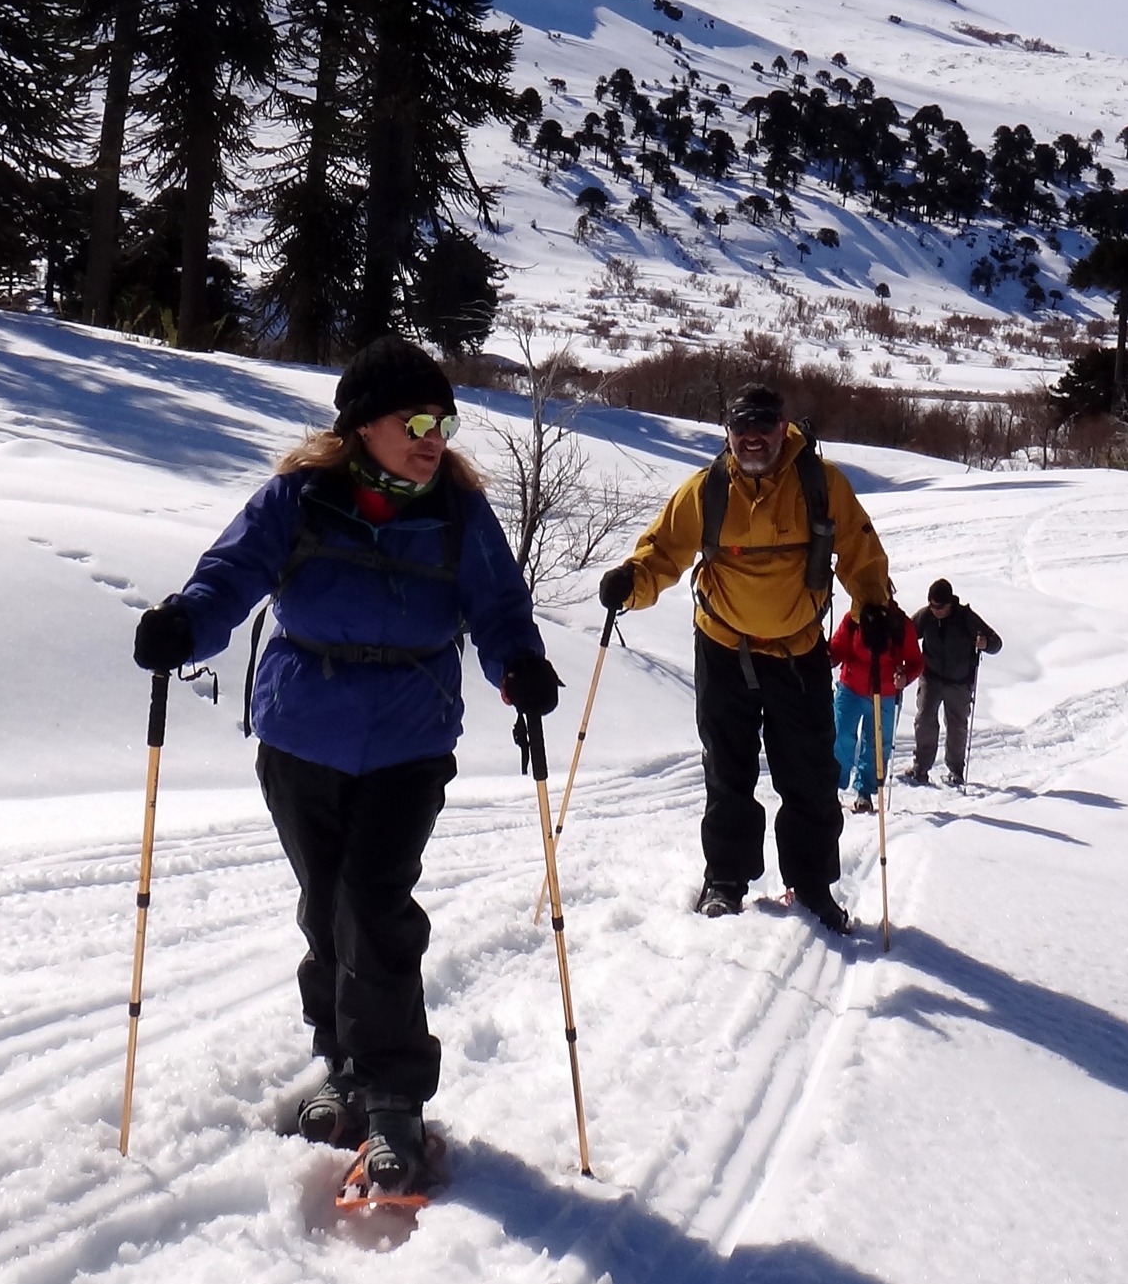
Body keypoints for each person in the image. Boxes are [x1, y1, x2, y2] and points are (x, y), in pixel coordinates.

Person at [132, 337, 560, 1193]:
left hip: (408, 739)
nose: (433, 436)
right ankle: (341, 1062)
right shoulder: (300, 497)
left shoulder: (458, 511)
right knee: (325, 905)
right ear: (364, 426)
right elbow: (233, 573)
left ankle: (395, 1093)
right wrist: (186, 623)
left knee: (375, 904)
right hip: (299, 735)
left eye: (442, 421)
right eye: (415, 421)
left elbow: (498, 605)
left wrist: (519, 663)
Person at [597, 383, 891, 933]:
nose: (752, 437)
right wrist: (630, 584)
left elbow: (859, 550)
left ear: (784, 427)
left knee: (808, 775)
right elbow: (661, 553)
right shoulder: (706, 490)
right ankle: (726, 881)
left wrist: (873, 607)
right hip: (723, 647)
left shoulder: (821, 485)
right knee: (727, 771)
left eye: (763, 425)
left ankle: (811, 887)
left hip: (799, 649)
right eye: (741, 427)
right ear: (727, 432)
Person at [901, 578, 1001, 787]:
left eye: (939, 606)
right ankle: (921, 768)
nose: (934, 610)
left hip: (959, 682)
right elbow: (907, 635)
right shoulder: (926, 616)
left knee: (957, 726)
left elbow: (996, 642)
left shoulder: (966, 618)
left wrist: (986, 643)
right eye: (931, 605)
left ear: (950, 603)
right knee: (925, 719)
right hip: (931, 677)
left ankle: (955, 770)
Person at [830, 601, 922, 812]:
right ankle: (832, 787)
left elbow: (916, 661)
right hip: (851, 687)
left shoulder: (901, 624)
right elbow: (839, 647)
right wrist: (829, 658)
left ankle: (865, 792)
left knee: (877, 745)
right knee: (841, 736)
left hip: (886, 692)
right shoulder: (854, 619)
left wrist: (905, 677)